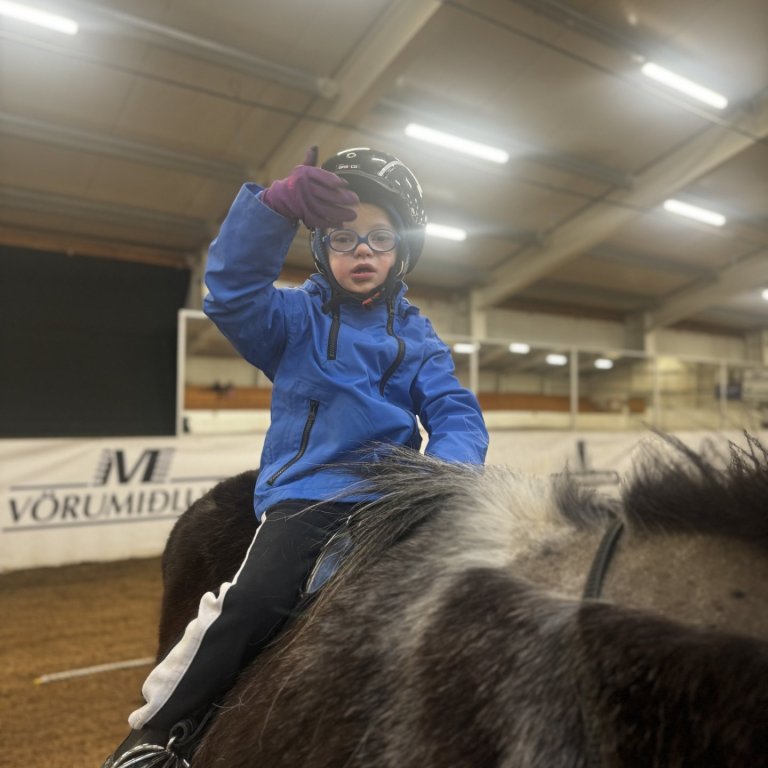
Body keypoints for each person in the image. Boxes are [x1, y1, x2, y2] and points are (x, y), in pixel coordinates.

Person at [102, 146, 488, 766]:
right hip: (307, 498)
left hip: (397, 499)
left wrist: (445, 477)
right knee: (251, 602)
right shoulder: (293, 317)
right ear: (321, 248)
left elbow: (454, 412)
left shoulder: (418, 338)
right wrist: (271, 212)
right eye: (343, 238)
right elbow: (230, 295)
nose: (362, 250)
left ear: (403, 251)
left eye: (380, 237)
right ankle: (156, 733)